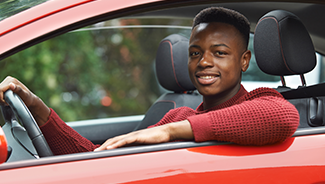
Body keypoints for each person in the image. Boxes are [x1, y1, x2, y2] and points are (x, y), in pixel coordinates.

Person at [0, 7, 299, 155]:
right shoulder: (178, 114)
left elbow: (284, 117)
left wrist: (170, 133)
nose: (204, 62)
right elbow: (97, 160)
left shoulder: (262, 101)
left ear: (244, 61)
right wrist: (37, 108)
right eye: (195, 52)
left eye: (219, 53)